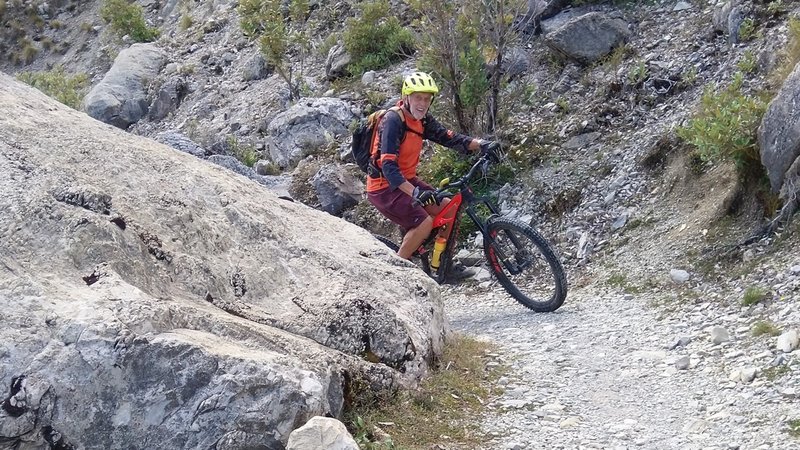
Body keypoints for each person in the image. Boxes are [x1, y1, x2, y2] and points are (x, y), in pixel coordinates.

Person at [366, 71, 504, 275]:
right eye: (418, 97)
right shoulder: (393, 121)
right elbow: (389, 167)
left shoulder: (422, 120)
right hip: (384, 187)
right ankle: (395, 273)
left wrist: (482, 145)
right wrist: (415, 193)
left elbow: (448, 137)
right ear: (406, 97)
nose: (422, 103)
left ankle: (441, 266)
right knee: (425, 222)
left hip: (406, 181)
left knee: (449, 209)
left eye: (427, 99)